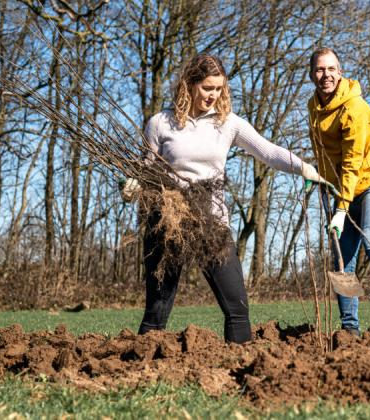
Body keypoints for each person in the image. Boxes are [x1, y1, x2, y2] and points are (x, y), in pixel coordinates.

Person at [121, 53, 329, 344]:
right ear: (190, 84)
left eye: (219, 89)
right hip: (167, 223)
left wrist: (304, 168)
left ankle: (238, 370)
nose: (213, 95)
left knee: (237, 308)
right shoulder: (160, 123)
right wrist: (133, 183)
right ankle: (137, 369)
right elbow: (146, 166)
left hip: (211, 223)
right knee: (156, 311)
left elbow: (267, 152)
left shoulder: (227, 123)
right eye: (207, 88)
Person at [306, 47, 370, 338]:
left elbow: (353, 161)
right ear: (312, 74)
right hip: (339, 188)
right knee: (342, 257)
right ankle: (349, 328)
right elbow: (323, 153)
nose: (326, 75)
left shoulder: (355, 107)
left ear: (341, 71)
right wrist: (323, 183)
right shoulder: (313, 106)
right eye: (320, 70)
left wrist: (341, 208)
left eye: (331, 69)